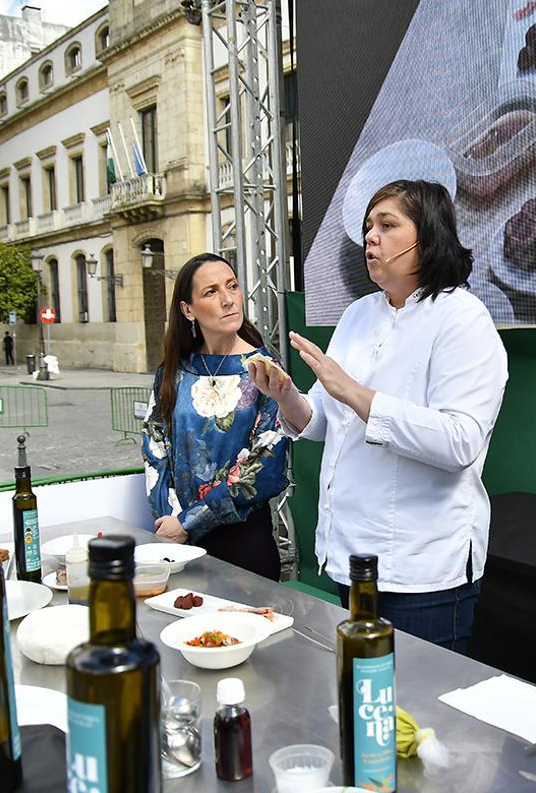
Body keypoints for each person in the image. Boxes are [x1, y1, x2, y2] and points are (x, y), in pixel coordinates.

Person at [250, 179, 508, 653]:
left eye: (387, 225)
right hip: (353, 558)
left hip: (421, 571)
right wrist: (286, 397)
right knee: (365, 700)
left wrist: (354, 392)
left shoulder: (462, 317)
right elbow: (324, 420)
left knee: (422, 717)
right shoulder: (357, 315)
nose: (370, 237)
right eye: (368, 226)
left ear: (428, 237)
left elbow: (459, 443)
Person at [139, 254, 290, 580]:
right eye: (211, 292)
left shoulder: (264, 370)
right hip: (177, 542)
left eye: (232, 286)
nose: (227, 299)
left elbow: (266, 464)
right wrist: (169, 520)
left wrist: (189, 521)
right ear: (188, 310)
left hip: (244, 541)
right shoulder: (172, 372)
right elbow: (155, 449)